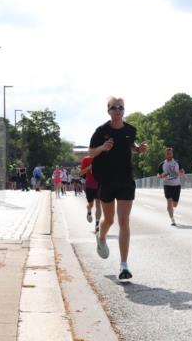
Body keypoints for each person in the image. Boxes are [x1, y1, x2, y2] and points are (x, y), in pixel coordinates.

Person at [89, 96, 147, 282]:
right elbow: (90, 152)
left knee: (124, 221)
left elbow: (131, 145)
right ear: (108, 110)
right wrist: (102, 148)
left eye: (120, 107)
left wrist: (139, 150)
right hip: (106, 180)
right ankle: (101, 236)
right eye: (114, 107)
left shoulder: (130, 130)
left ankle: (124, 265)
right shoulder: (101, 131)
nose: (117, 110)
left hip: (125, 180)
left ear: (124, 110)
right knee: (109, 220)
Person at [156, 147, 185, 226]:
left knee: (174, 205)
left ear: (172, 154)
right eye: (167, 154)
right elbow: (158, 175)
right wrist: (162, 175)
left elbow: (183, 172)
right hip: (167, 185)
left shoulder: (177, 162)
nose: (169, 155)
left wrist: (179, 173)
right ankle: (172, 220)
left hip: (177, 185)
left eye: (170, 153)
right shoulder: (162, 164)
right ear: (165, 155)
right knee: (169, 201)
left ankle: (171, 207)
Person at [78, 155, 102, 232]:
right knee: (91, 204)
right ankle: (89, 210)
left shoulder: (103, 157)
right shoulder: (86, 159)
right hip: (90, 185)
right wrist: (89, 168)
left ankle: (97, 224)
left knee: (98, 203)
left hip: (100, 184)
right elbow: (80, 173)